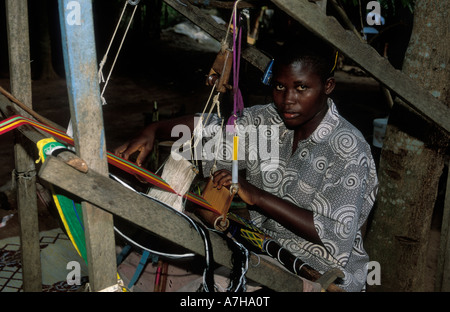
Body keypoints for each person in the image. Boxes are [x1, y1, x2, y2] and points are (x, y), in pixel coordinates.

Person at [114, 36, 378, 292]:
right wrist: (154, 131)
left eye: (301, 88)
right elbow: (211, 129)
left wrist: (256, 196)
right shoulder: (268, 122)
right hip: (263, 251)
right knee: (142, 262)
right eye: (279, 87)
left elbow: (333, 232)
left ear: (328, 86)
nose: (287, 99)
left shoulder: (348, 147)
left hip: (320, 275)